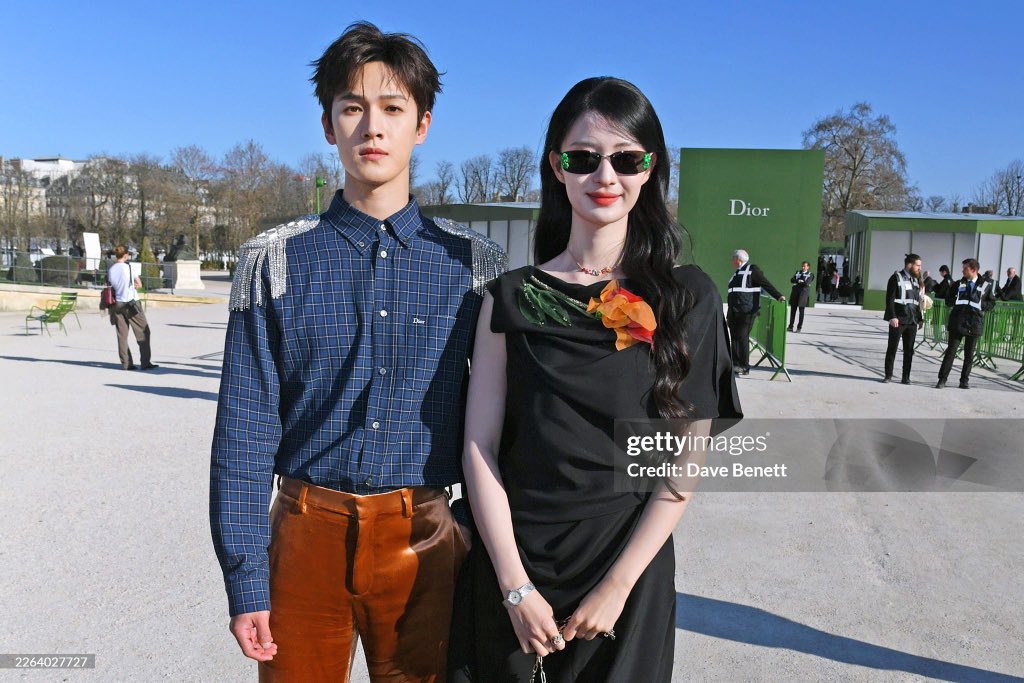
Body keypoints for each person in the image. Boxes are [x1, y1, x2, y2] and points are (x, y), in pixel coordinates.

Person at [209, 22, 506, 681]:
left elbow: (502, 421)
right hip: (304, 537)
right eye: (353, 107)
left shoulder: (473, 266)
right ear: (328, 125)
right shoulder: (274, 262)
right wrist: (246, 577)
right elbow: (245, 429)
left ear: (422, 125)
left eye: (393, 109)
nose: (373, 127)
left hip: (426, 538)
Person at [448, 77, 742, 682]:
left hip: (627, 565)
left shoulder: (689, 297)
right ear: (557, 167)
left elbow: (685, 459)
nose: (604, 176)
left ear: (651, 169)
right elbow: (479, 445)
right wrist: (512, 586)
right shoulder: (510, 298)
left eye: (626, 159)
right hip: (515, 564)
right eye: (583, 159)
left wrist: (618, 585)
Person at [937, 258, 997, 389]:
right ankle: (942, 380)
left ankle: (964, 381)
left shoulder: (986, 285)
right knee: (950, 352)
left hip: (974, 324)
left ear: (974, 270)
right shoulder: (958, 284)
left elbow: (992, 303)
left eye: (965, 268)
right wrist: (954, 299)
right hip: (957, 322)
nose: (962, 271)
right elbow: (948, 301)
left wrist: (982, 305)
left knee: (969, 355)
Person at [727, 249, 784, 375]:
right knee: (735, 338)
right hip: (735, 311)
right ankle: (735, 363)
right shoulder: (736, 274)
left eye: (733, 258)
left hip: (746, 311)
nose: (731, 261)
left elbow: (765, 283)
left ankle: (744, 366)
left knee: (742, 337)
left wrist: (778, 296)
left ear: (738, 260)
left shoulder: (752, 270)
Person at [106, 245, 156, 371]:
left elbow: (110, 285)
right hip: (131, 303)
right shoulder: (128, 267)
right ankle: (145, 362)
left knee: (122, 335)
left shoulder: (111, 269)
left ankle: (126, 363)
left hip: (117, 304)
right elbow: (139, 283)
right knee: (143, 331)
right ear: (126, 255)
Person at [882, 253, 923, 384]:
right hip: (898, 319)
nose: (919, 268)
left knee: (909, 350)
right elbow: (890, 300)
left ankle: (906, 377)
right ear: (909, 265)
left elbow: (916, 301)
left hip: (912, 321)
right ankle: (888, 375)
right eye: (918, 265)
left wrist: (920, 318)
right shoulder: (896, 278)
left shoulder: (916, 280)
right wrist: (892, 316)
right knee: (892, 348)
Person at [788, 261, 814, 331]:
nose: (803, 267)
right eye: (802, 266)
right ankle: (790, 326)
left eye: (804, 266)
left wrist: (798, 281)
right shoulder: (798, 272)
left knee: (801, 311)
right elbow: (792, 280)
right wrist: (798, 281)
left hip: (803, 294)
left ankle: (799, 327)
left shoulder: (810, 274)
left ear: (808, 267)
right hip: (795, 293)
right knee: (793, 310)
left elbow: (806, 283)